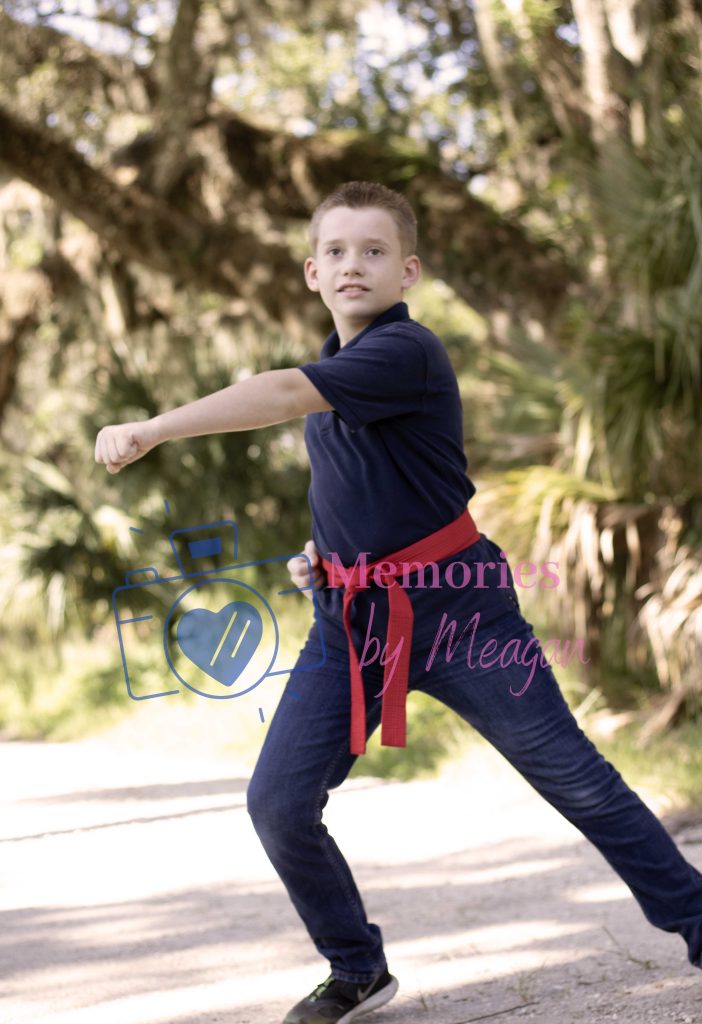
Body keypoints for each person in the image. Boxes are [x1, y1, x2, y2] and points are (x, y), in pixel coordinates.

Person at [95, 181, 702, 1024]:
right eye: (337, 252)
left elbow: (277, 394)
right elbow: (358, 480)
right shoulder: (339, 369)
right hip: (351, 626)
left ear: (407, 271)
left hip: (460, 615)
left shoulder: (403, 352)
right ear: (312, 271)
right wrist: (327, 558)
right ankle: (356, 969)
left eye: (374, 251)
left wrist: (153, 428)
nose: (354, 265)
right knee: (276, 803)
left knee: (575, 780)